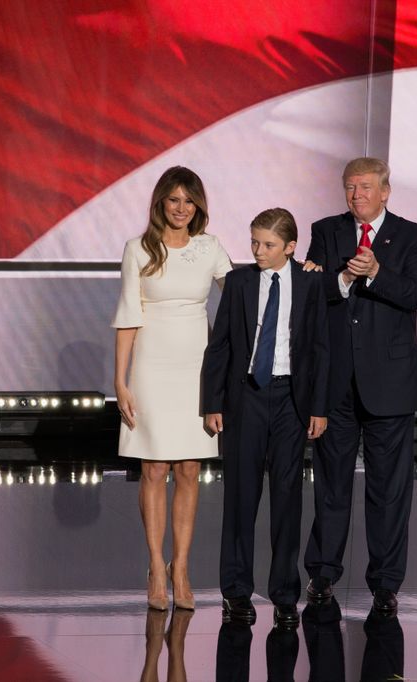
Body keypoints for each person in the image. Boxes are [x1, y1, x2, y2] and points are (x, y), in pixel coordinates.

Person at [302, 157, 417, 613]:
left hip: (392, 385)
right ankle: (322, 575)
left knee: (389, 490)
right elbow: (311, 295)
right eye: (349, 187)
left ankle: (385, 583)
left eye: (364, 187)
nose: (356, 195)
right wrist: (341, 279)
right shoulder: (326, 231)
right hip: (336, 383)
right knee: (331, 486)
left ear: (385, 191)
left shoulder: (413, 236)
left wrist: (376, 272)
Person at [202, 208, 330, 627]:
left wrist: (318, 408)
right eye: (254, 242)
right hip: (246, 398)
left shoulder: (310, 282)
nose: (258, 251)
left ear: (291, 248)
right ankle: (236, 592)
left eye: (268, 245)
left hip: (292, 400)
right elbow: (219, 345)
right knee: (240, 498)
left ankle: (285, 595)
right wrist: (213, 402)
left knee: (287, 501)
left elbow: (319, 348)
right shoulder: (239, 282)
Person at [112, 166, 232, 612]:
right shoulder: (138, 249)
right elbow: (127, 317)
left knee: (188, 469)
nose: (182, 209)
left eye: (190, 201)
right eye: (174, 200)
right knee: (154, 469)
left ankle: (181, 568)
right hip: (150, 367)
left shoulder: (210, 248)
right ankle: (155, 566)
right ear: (161, 202)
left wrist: (294, 271)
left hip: (197, 369)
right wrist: (119, 380)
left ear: (198, 206)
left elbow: (242, 294)